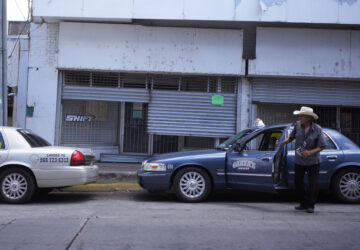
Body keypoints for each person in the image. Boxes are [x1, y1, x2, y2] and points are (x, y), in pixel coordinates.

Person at [281, 106, 327, 213]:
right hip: (300, 160)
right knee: (298, 183)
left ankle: (310, 205)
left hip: (313, 161)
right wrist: (283, 142)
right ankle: (303, 203)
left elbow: (323, 146)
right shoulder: (297, 125)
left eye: (301, 116)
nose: (299, 118)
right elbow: (291, 137)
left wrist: (310, 152)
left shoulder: (317, 129)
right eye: (299, 116)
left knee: (313, 184)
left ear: (308, 118)